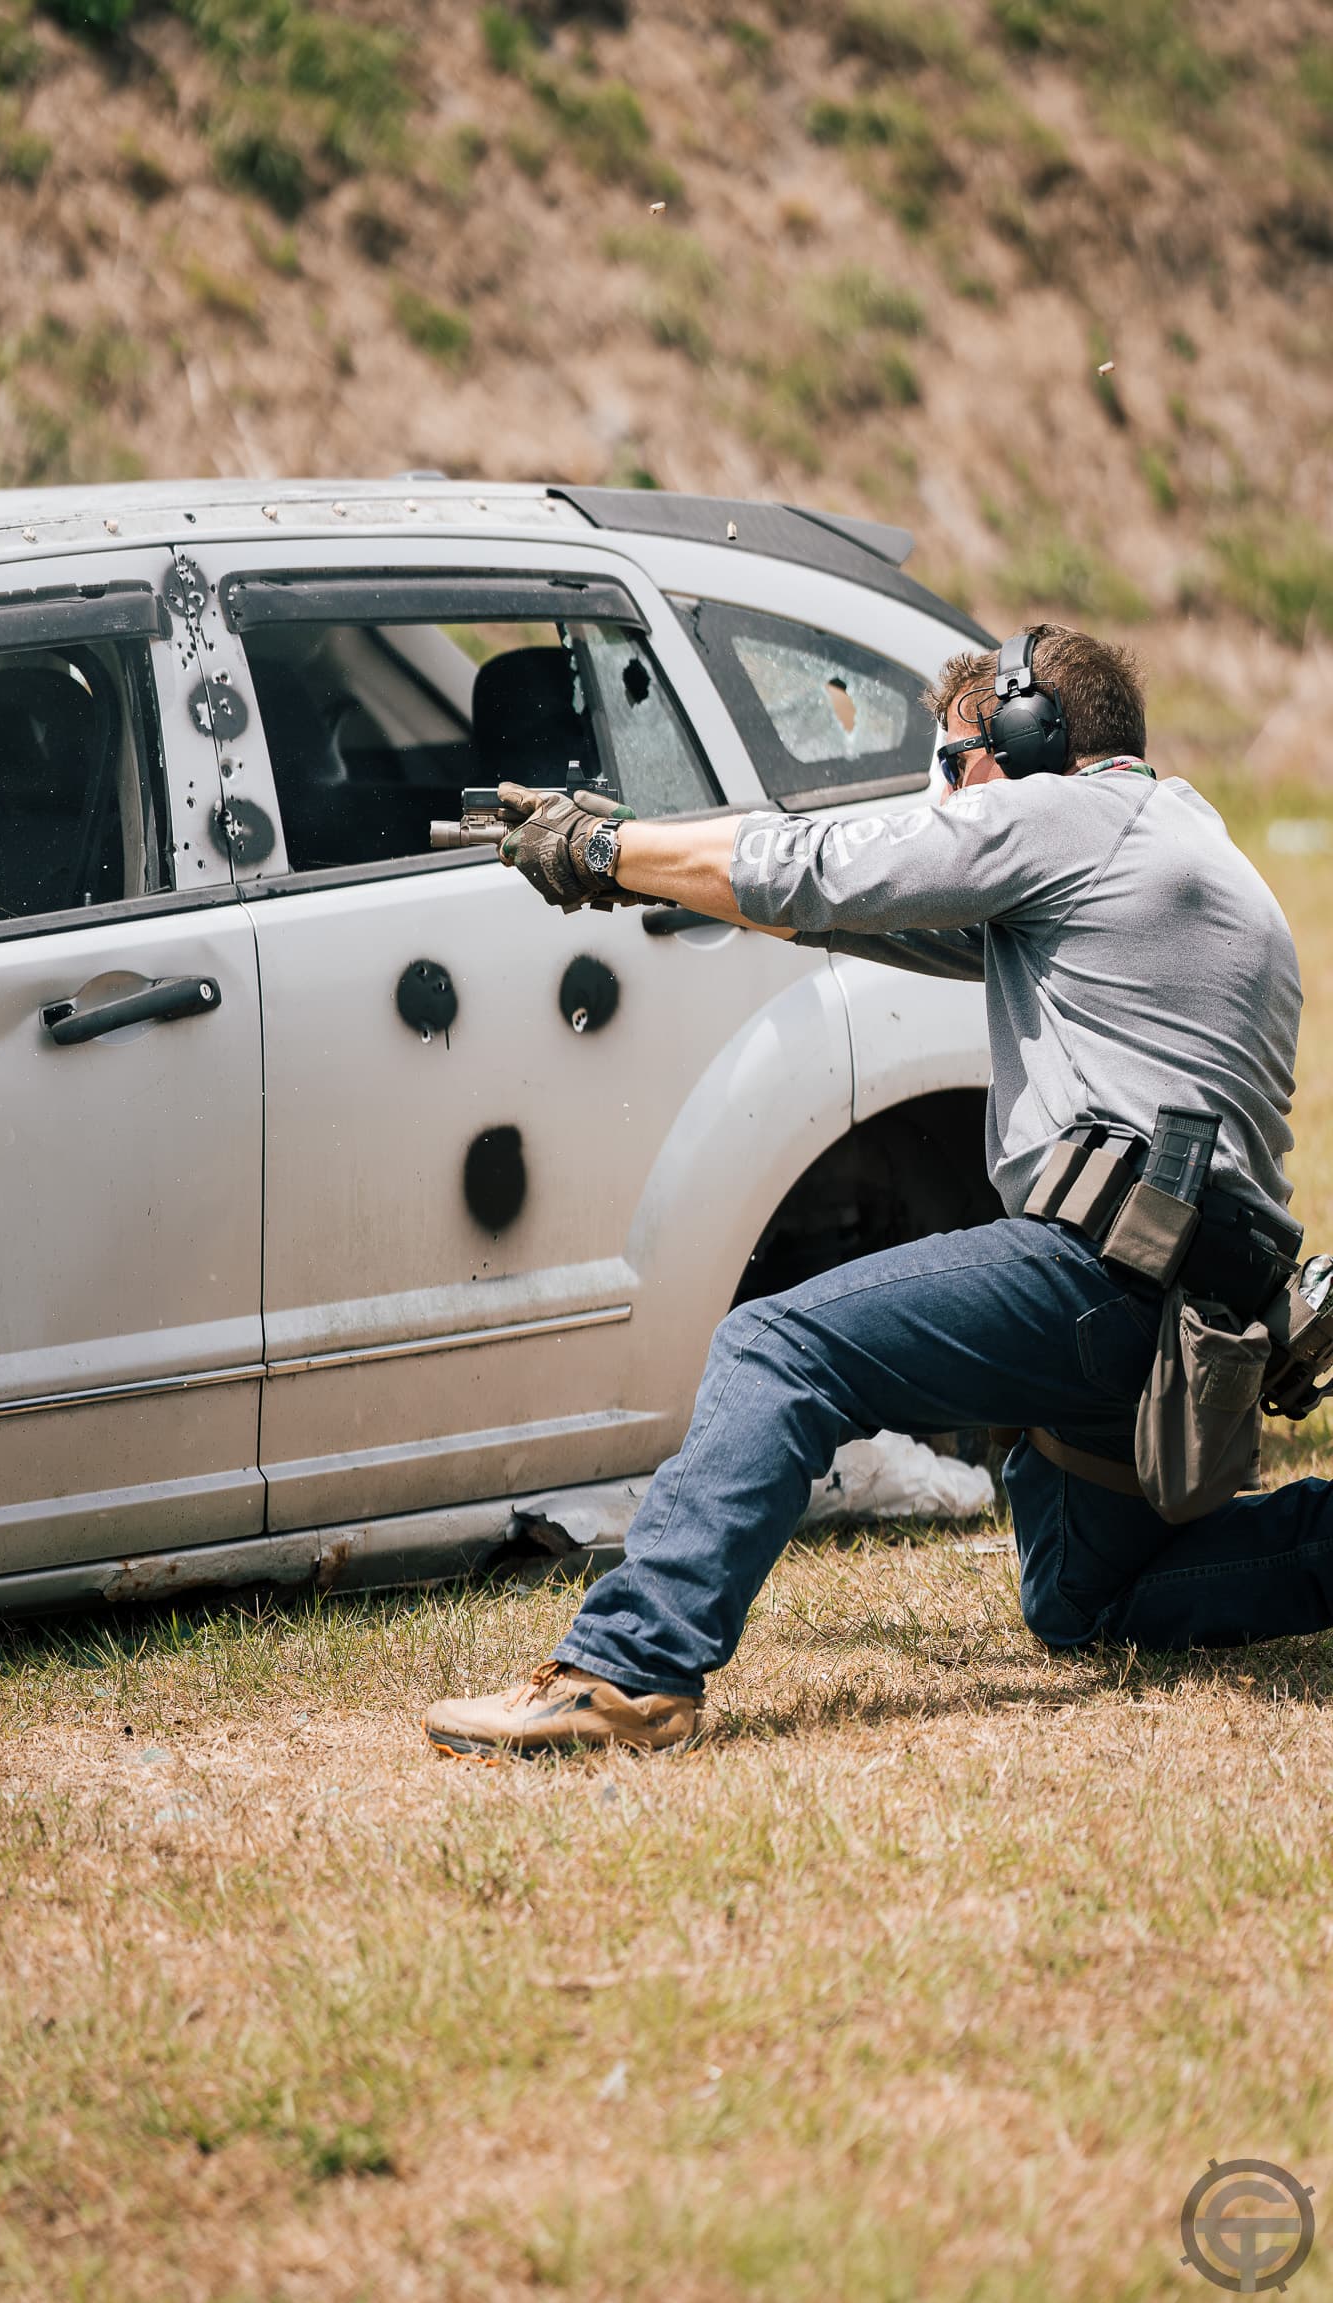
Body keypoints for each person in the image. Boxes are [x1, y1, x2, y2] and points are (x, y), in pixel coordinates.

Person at [422, 623, 1326, 1761]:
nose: (941, 798)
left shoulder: (1068, 818)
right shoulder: (1184, 843)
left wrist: (604, 847)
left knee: (778, 1347)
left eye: (954, 765)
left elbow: (821, 864)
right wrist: (641, 868)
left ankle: (627, 1670)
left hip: (1102, 1276)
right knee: (1089, 1603)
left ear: (1027, 741)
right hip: (1189, 1312)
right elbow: (842, 906)